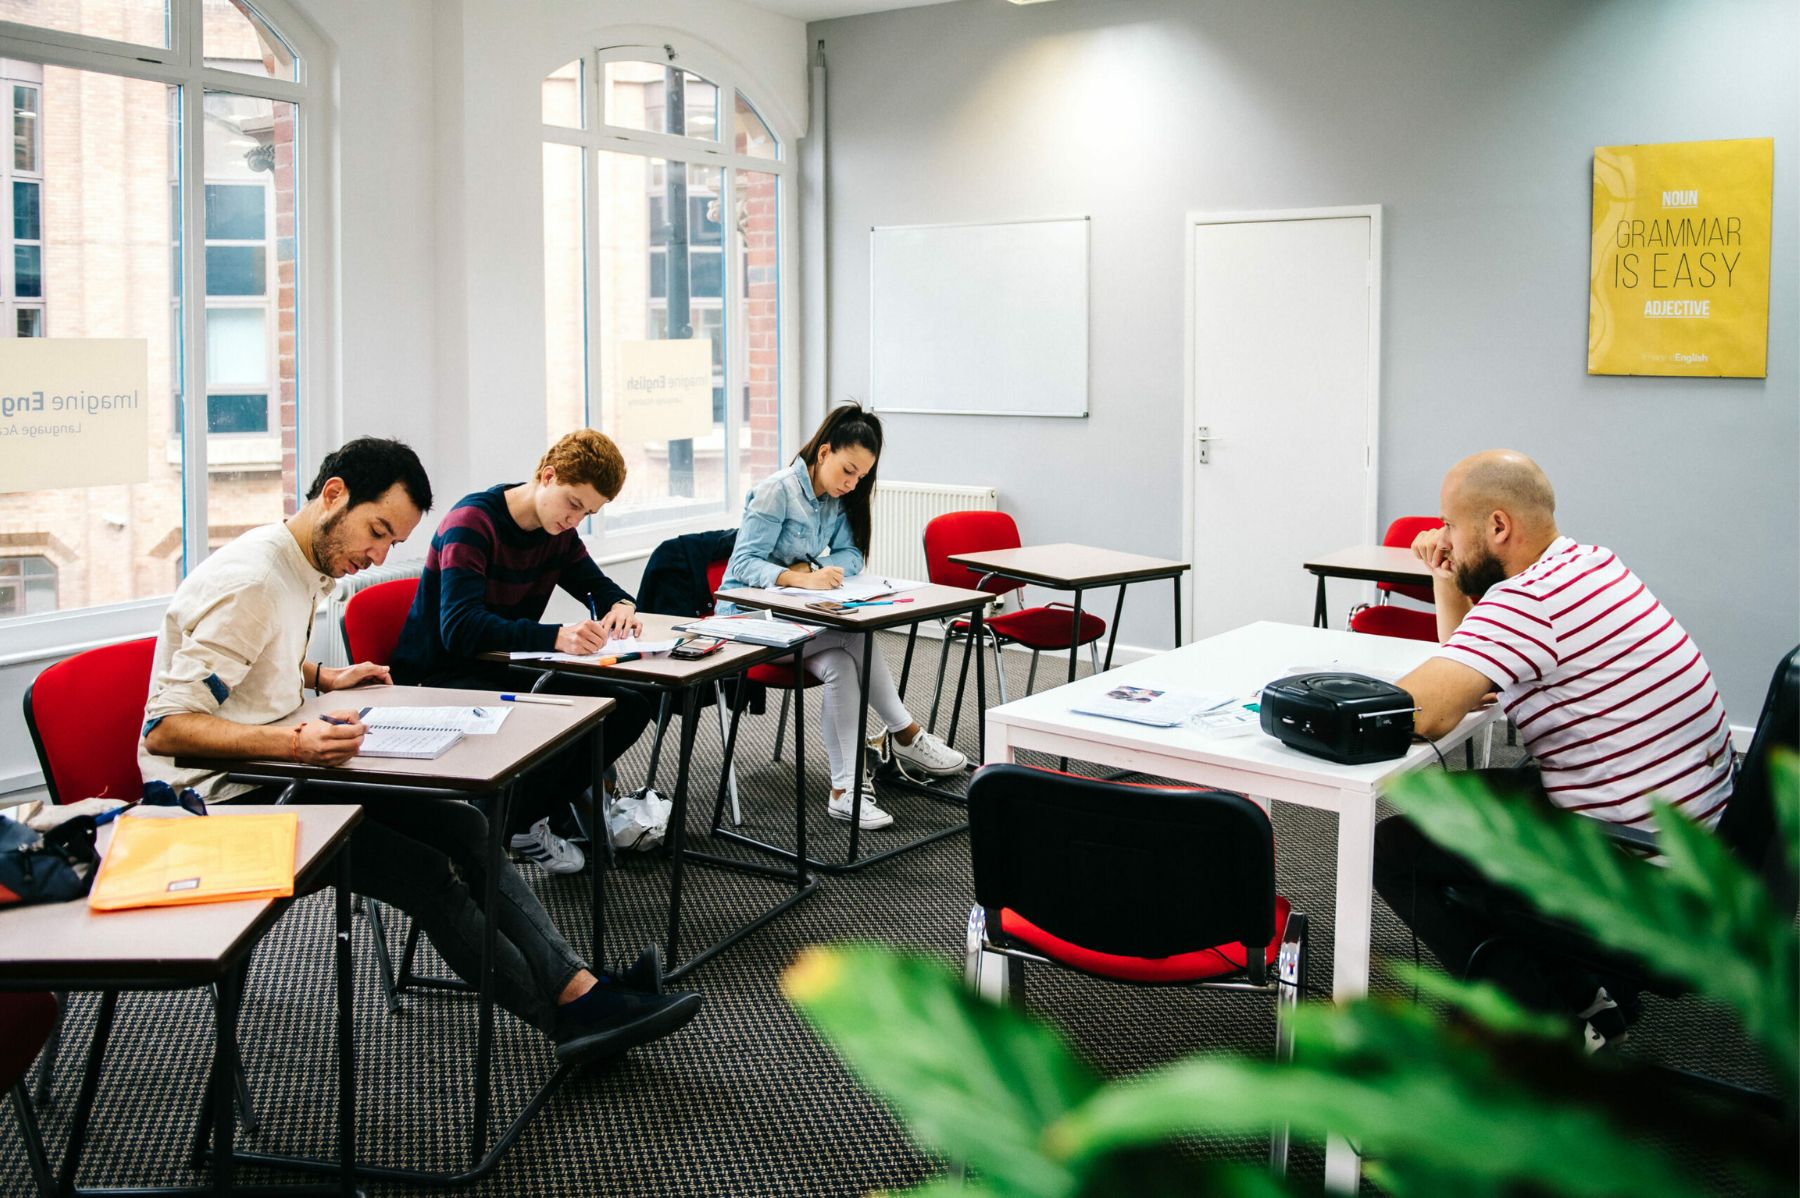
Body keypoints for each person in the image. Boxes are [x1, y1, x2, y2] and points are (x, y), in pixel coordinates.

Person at [139, 437, 700, 1064]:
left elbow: (248, 668)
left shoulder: (299, 565)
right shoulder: (254, 581)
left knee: (464, 824)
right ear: (334, 496)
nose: (378, 556)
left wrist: (322, 677)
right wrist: (294, 743)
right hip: (228, 799)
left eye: (392, 544)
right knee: (426, 873)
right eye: (377, 532)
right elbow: (166, 729)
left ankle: (581, 994)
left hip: (282, 768)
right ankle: (569, 1018)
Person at [1376, 449, 1732, 1048]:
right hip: (1690, 834)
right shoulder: (1586, 564)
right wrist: (1449, 574)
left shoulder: (1530, 600)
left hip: (1642, 863)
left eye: (1451, 528)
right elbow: (1468, 660)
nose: (1441, 538)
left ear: (1497, 526)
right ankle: (1588, 996)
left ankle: (1552, 1031)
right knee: (1448, 805)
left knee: (1396, 849)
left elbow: (1425, 710)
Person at [390, 429, 656, 874]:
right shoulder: (472, 524)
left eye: (587, 513)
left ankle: (519, 821)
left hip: (507, 667)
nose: (575, 519)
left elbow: (603, 587)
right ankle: (482, 840)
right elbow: (459, 630)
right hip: (442, 675)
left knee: (629, 705)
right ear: (547, 475)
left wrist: (622, 606)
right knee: (564, 719)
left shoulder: (558, 534)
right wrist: (554, 636)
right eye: (573, 503)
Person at [718, 403, 967, 830]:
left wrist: (811, 572)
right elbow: (741, 567)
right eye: (848, 471)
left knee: (840, 665)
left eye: (861, 477)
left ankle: (844, 791)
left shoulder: (833, 501)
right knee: (857, 638)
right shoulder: (777, 491)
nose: (852, 484)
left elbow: (852, 555)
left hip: (800, 624)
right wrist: (795, 580)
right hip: (748, 623)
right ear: (824, 452)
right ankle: (905, 733)